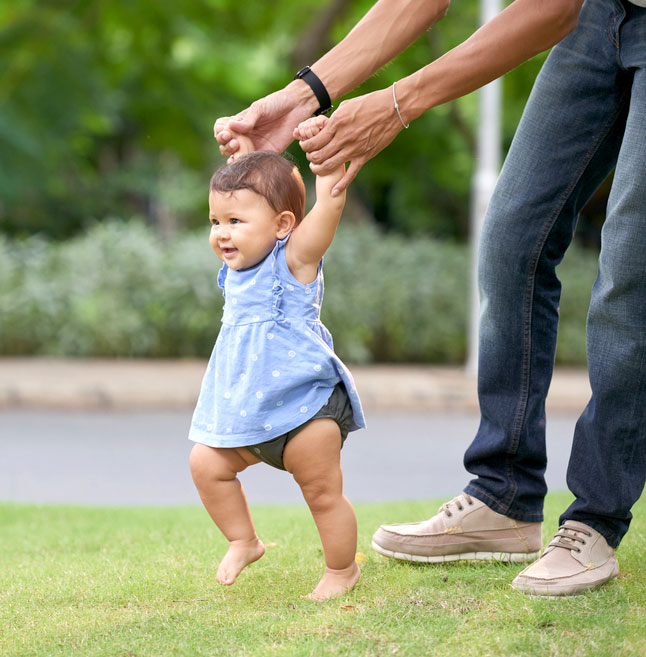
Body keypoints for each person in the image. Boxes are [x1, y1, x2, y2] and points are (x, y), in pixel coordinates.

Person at [216, 0, 646, 597]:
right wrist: (306, 93)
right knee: (513, 240)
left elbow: (552, 8)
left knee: (632, 269)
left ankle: (594, 520)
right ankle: (505, 497)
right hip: (606, 13)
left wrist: (399, 102)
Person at [189, 115, 366, 601]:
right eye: (216, 222)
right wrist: (246, 154)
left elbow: (324, 214)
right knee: (206, 464)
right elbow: (254, 191)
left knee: (322, 495)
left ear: (284, 226)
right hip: (249, 413)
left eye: (235, 222)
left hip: (306, 409)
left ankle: (340, 570)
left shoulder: (294, 261)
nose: (222, 234)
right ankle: (244, 539)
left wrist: (328, 175)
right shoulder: (237, 272)